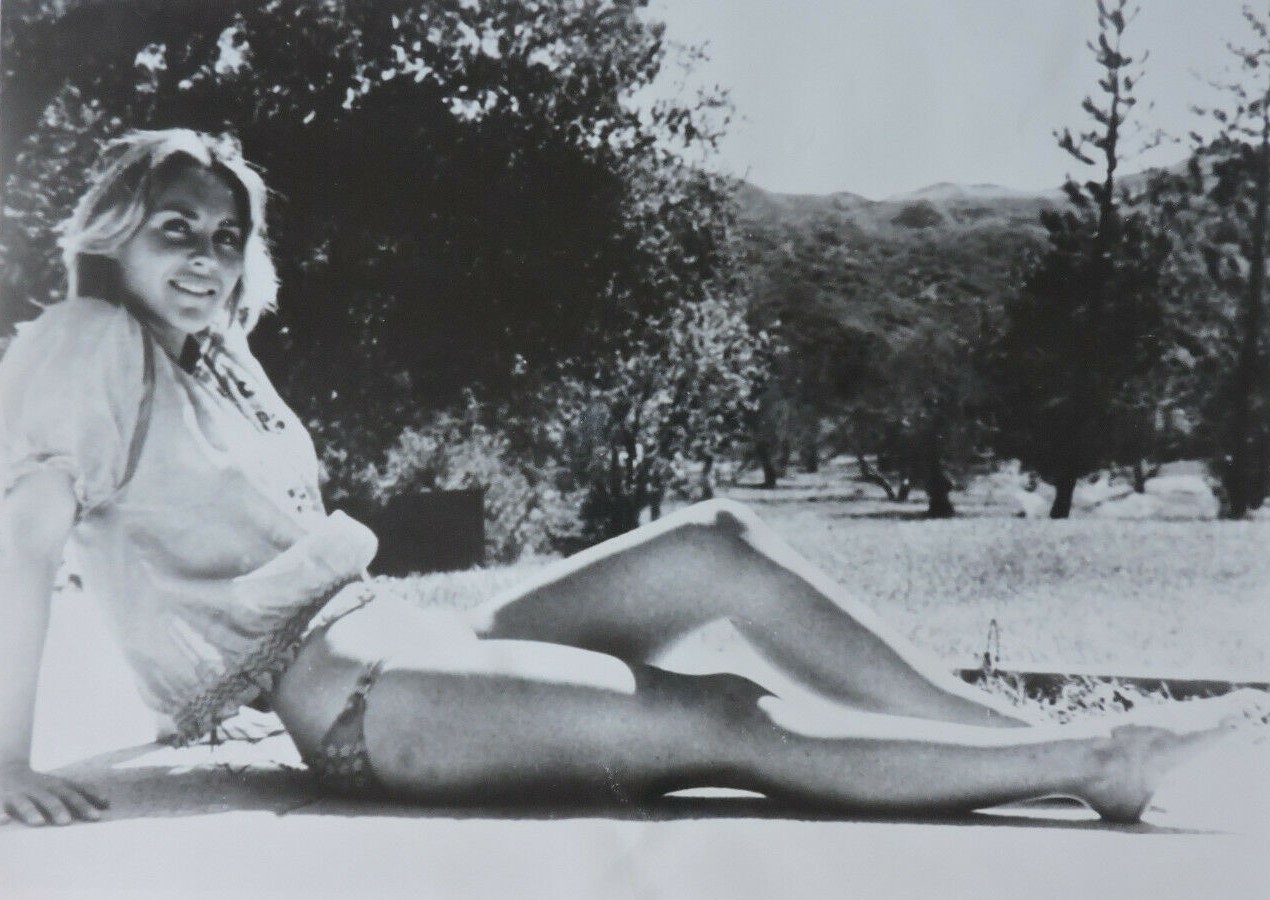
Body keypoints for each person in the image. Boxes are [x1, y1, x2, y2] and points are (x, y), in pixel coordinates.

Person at [0, 129, 1249, 828]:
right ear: (115, 233)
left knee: (717, 540)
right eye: (176, 229)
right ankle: (1093, 760)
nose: (208, 259)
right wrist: (4, 762)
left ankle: (1018, 745)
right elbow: (23, 544)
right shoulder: (89, 340)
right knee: (718, 718)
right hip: (354, 701)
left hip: (405, 637)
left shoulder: (215, 355)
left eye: (226, 236)